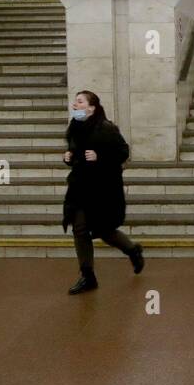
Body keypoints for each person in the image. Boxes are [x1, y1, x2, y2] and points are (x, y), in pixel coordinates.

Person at [62, 90, 143, 293]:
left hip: (102, 190)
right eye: (75, 102)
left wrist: (100, 157)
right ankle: (87, 276)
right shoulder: (74, 128)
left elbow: (123, 152)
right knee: (79, 229)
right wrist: (68, 157)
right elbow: (75, 154)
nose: (75, 105)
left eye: (79, 102)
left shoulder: (106, 129)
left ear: (92, 107)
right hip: (80, 187)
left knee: (105, 231)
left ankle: (133, 250)